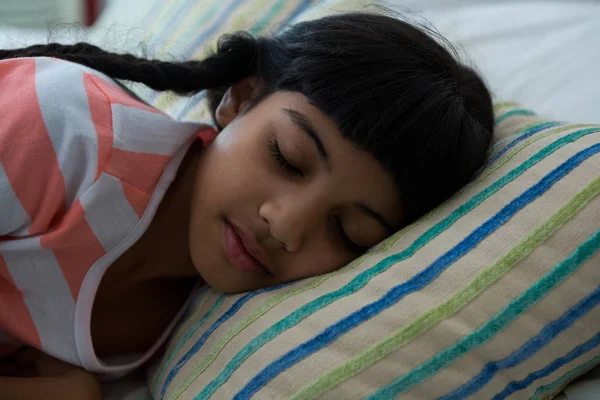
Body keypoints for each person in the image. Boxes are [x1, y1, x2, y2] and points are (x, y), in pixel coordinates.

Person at [0, 12, 493, 399]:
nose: (285, 226)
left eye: (349, 232)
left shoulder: (190, 315)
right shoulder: (61, 131)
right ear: (240, 97)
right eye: (287, 159)